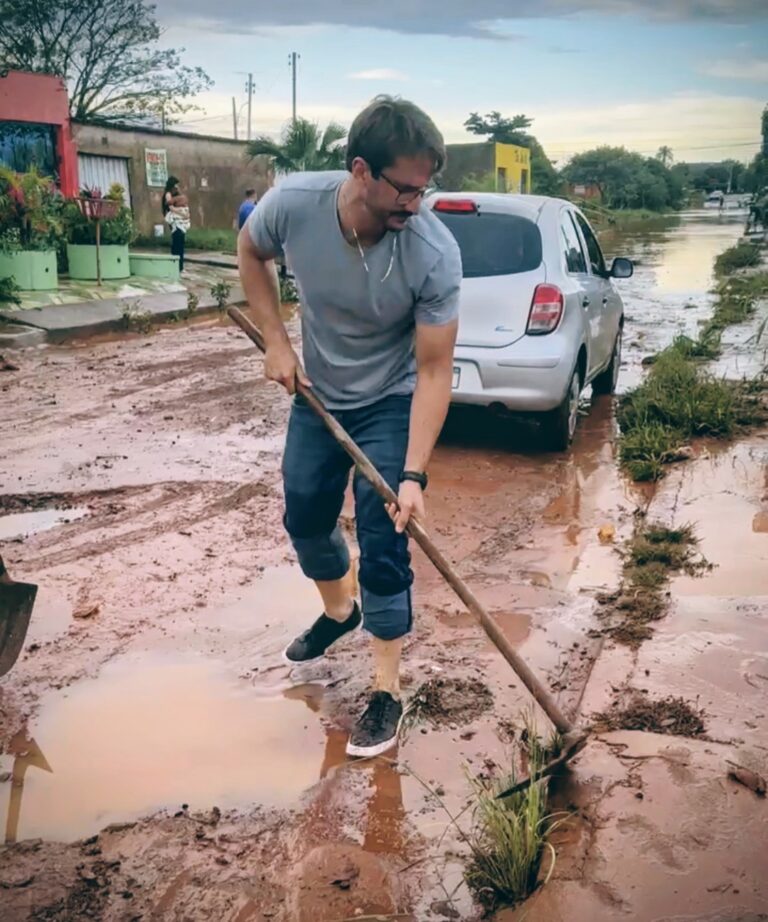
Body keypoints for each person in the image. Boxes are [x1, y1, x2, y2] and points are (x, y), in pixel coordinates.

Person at [238, 96, 461, 759]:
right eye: (405, 188)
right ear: (362, 171)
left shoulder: (432, 253)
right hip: (319, 396)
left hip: (391, 401)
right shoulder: (293, 206)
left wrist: (414, 474)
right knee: (304, 514)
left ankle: (386, 691)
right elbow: (252, 252)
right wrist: (278, 342)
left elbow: (433, 372)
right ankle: (340, 612)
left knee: (383, 533)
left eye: (426, 189)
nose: (415, 204)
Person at [162, 176, 189, 271]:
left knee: (180, 243)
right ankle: (176, 266)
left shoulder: (177, 195)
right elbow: (171, 208)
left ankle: (179, 266)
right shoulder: (168, 195)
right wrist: (183, 213)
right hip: (176, 222)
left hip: (180, 222)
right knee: (177, 243)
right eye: (175, 185)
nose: (177, 187)